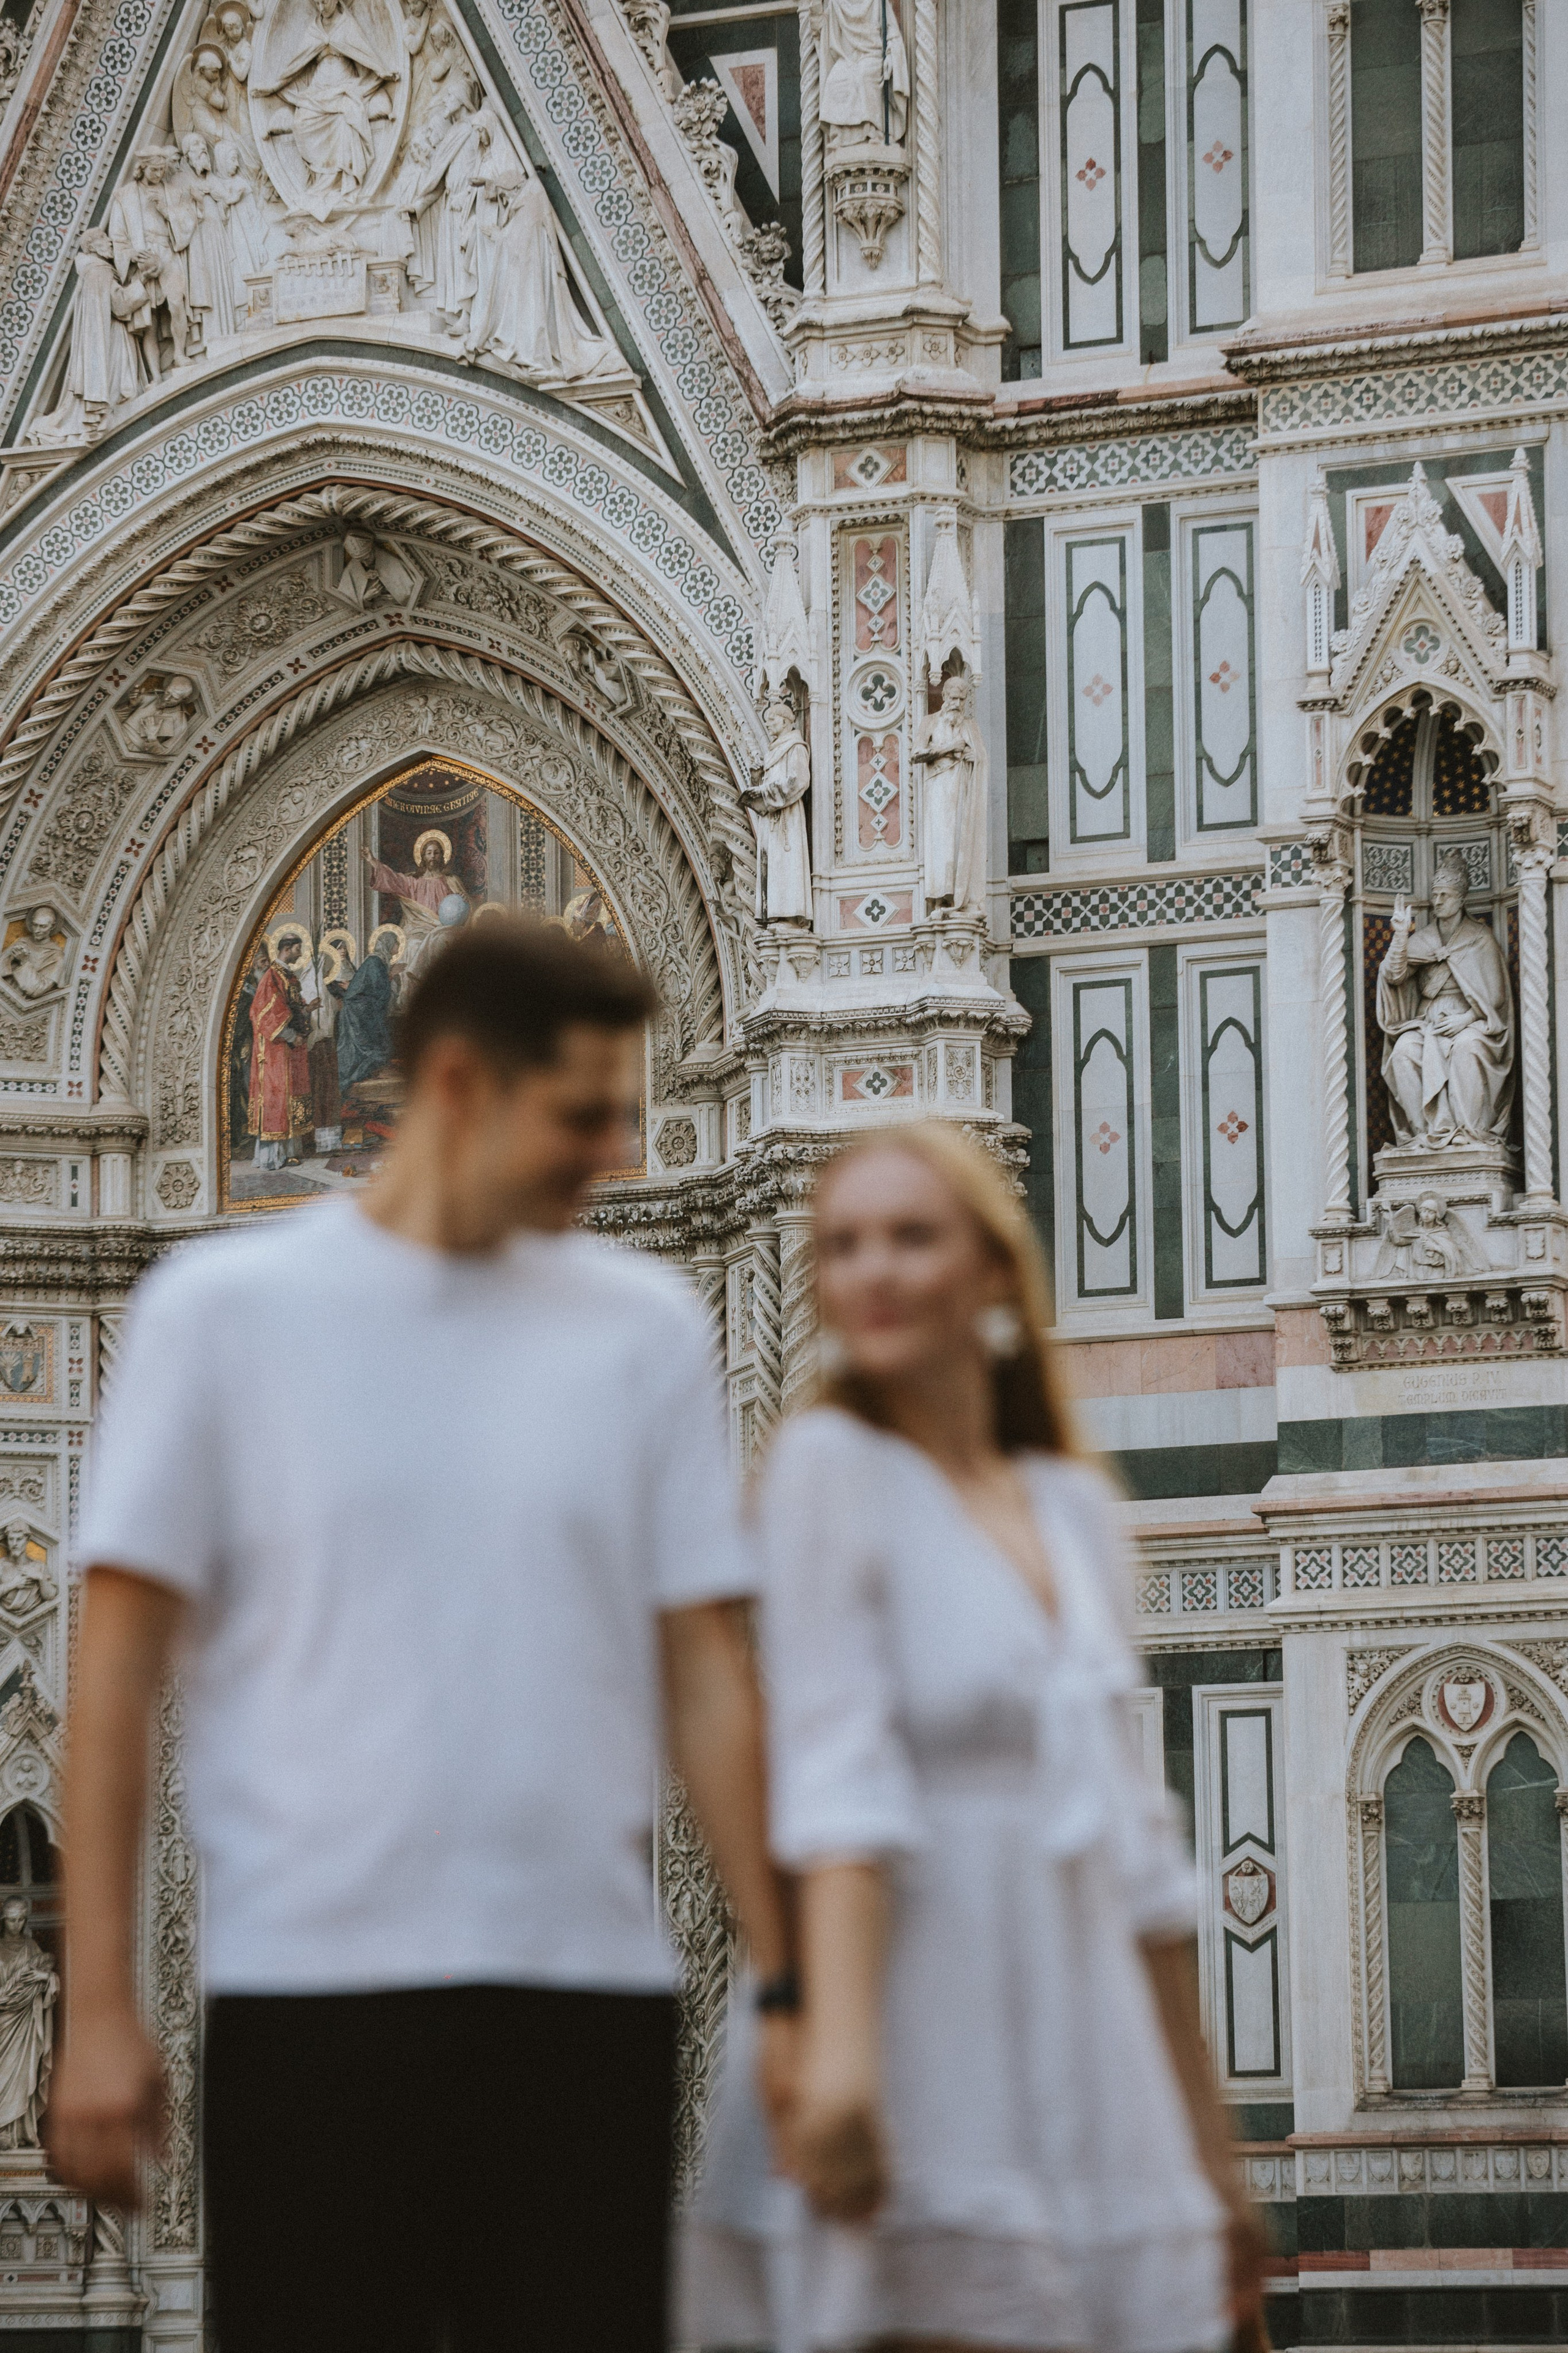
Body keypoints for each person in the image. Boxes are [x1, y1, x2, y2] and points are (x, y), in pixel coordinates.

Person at [50, 919, 793, 2352]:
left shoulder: (641, 1330)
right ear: (456, 1085)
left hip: (586, 1993)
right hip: (311, 1991)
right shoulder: (223, 1314)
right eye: (579, 1115)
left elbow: (706, 1677)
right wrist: (101, 2008)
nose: (609, 1152)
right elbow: (118, 1678)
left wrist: (794, 1985)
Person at [685, 1123, 1266, 2353]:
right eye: (840, 1246)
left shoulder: (1074, 1510)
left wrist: (1207, 2161)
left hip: (1073, 2024)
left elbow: (1144, 1865)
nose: (872, 1272)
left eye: (909, 1235)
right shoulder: (823, 1469)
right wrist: (840, 2058)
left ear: (994, 1270)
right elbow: (833, 1772)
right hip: (909, 2007)